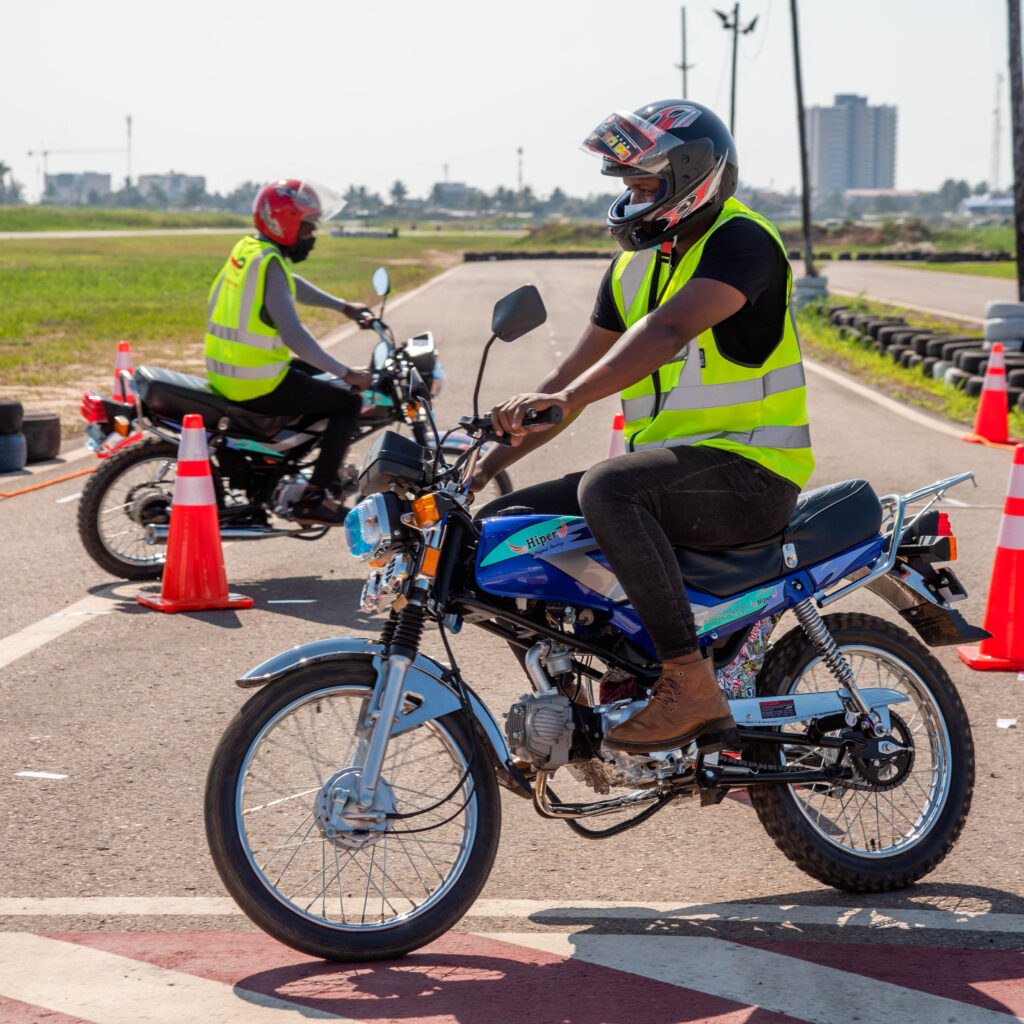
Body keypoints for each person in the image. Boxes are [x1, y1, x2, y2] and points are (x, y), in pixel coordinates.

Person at [472, 100, 814, 754]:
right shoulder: (634, 267)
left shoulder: (742, 243)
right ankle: (579, 715)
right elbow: (565, 387)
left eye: (644, 185)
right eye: (627, 187)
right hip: (672, 477)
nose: (631, 200)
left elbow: (667, 331)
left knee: (607, 489)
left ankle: (689, 684)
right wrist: (480, 466)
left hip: (751, 477)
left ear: (692, 175)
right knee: (503, 530)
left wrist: (567, 395)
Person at [204, 178, 374, 525]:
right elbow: (295, 336)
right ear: (287, 223)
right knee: (348, 401)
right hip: (255, 383)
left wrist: (343, 307)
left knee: (321, 381)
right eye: (309, 227)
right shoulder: (271, 262)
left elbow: (288, 287)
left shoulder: (251, 251)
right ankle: (314, 498)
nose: (313, 235)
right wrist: (347, 373)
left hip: (230, 371)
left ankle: (283, 465)